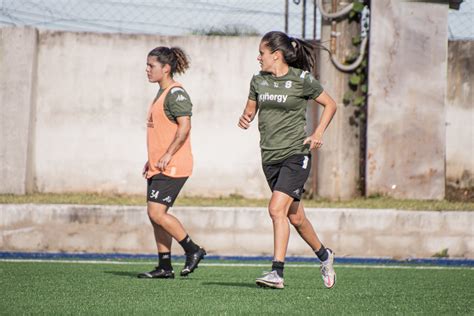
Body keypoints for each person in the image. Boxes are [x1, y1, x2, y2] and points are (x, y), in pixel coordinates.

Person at [238, 31, 337, 289]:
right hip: (269, 157)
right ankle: (325, 256)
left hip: (295, 155)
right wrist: (245, 118)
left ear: (276, 55)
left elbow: (331, 104)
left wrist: (317, 133)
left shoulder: (302, 80)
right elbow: (250, 109)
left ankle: (277, 273)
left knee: (275, 209)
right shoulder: (258, 80)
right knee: (295, 217)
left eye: (262, 53)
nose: (258, 58)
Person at [138, 46, 206, 279]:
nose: (147, 70)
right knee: (155, 215)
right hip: (159, 165)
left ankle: (192, 249)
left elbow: (184, 127)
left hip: (174, 164)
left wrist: (167, 154)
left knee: (157, 213)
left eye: (151, 66)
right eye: (147, 65)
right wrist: (152, 160)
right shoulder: (161, 93)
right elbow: (162, 132)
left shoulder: (176, 94)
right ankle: (165, 266)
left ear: (166, 69)